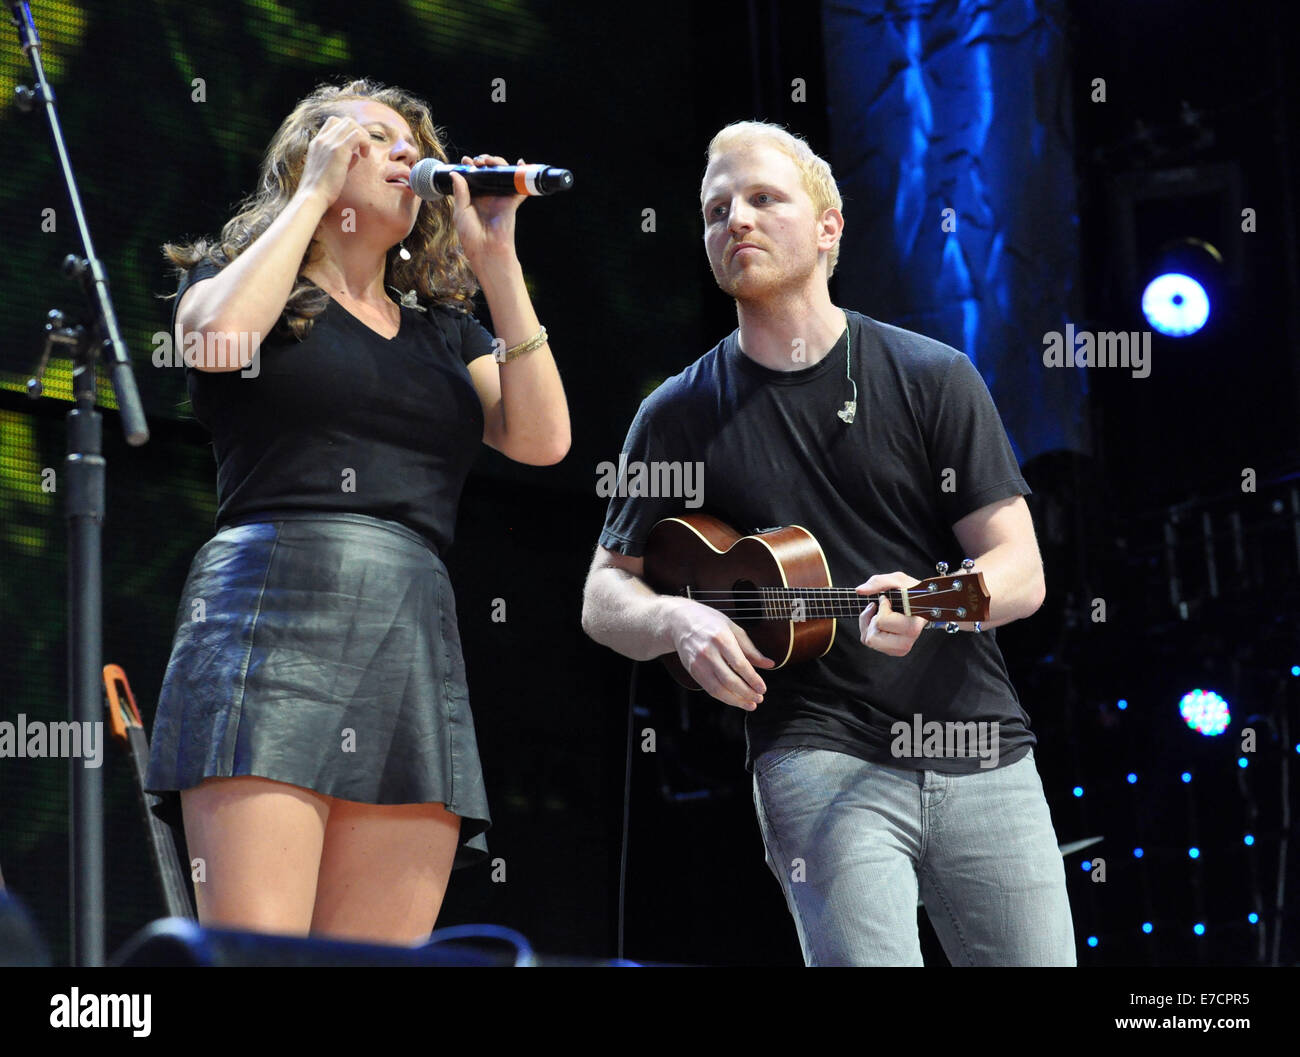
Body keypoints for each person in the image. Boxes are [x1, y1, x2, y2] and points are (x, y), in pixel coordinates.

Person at [580, 120, 1075, 966]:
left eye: (764, 198)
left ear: (827, 226)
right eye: (715, 209)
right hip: (814, 750)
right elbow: (604, 594)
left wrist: (931, 605)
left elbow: (1020, 569)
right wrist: (678, 624)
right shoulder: (677, 414)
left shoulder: (931, 376)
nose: (735, 218)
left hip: (978, 743)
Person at [145, 79, 569, 945]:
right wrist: (308, 197)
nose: (405, 153)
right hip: (268, 615)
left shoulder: (444, 334)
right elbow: (215, 342)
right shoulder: (242, 289)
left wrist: (498, 261)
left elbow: (544, 440)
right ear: (315, 158)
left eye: (412, 142)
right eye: (372, 138)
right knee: (260, 953)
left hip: (408, 628)